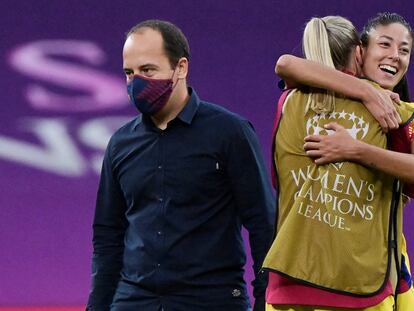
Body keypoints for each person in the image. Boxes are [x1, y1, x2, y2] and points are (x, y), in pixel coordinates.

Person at [86, 20, 275, 311]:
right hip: (135, 300)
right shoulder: (120, 144)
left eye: (148, 70)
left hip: (211, 300)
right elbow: (108, 235)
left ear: (181, 67)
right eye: (129, 73)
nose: (136, 82)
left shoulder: (229, 133)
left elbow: (263, 223)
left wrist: (266, 301)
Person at [263, 15, 414, 311]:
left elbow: (286, 65)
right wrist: (366, 91)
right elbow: (287, 64)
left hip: (289, 282)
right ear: (360, 50)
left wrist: (355, 149)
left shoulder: (289, 101)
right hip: (363, 287)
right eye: (385, 44)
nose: (395, 55)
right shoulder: (397, 114)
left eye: (405, 49)